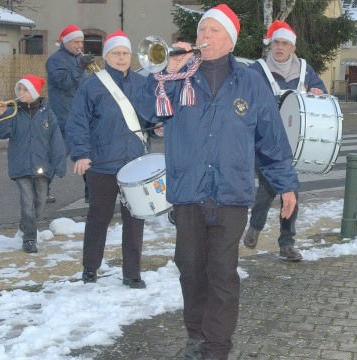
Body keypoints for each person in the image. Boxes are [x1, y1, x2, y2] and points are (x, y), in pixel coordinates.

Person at [139, 4, 298, 359]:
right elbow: (146, 110)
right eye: (201, 30)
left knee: (222, 273)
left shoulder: (251, 80)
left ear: (230, 39)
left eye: (212, 31)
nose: (203, 37)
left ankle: (216, 346)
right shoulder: (177, 76)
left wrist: (285, 183)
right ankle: (195, 336)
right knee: (191, 269)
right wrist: (162, 72)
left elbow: (270, 139)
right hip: (188, 192)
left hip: (231, 194)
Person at [65, 30, 152, 289]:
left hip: (134, 164)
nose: (122, 58)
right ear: (106, 56)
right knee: (98, 218)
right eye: (116, 53)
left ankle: (132, 273)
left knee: (135, 221)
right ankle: (90, 267)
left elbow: (148, 116)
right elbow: (77, 122)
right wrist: (81, 154)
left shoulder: (141, 83)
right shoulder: (92, 85)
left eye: (125, 53)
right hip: (102, 165)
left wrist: (157, 125)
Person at [242, 20, 327, 261]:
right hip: (263, 141)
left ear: (293, 48)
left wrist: (318, 92)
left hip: (294, 142)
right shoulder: (256, 70)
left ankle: (285, 242)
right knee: (269, 185)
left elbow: (321, 90)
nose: (280, 47)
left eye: (285, 44)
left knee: (289, 191)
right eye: (276, 43)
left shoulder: (304, 70)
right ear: (270, 45)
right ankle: (260, 229)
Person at [0, 75, 66, 253]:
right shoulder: (13, 112)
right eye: (19, 89)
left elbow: (56, 141)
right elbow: (1, 132)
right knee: (27, 202)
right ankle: (29, 239)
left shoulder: (47, 113)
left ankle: (25, 226)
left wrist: (59, 164)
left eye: (24, 89)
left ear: (33, 92)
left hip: (42, 165)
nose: (20, 93)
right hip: (20, 165)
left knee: (39, 204)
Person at [45, 24, 94, 203]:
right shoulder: (55, 61)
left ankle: (91, 192)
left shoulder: (78, 60)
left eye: (81, 42)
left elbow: (85, 86)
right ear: (66, 42)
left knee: (87, 154)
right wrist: (80, 66)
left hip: (82, 117)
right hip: (63, 117)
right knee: (57, 155)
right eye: (76, 42)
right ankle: (42, 189)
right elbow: (64, 83)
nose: (80, 45)